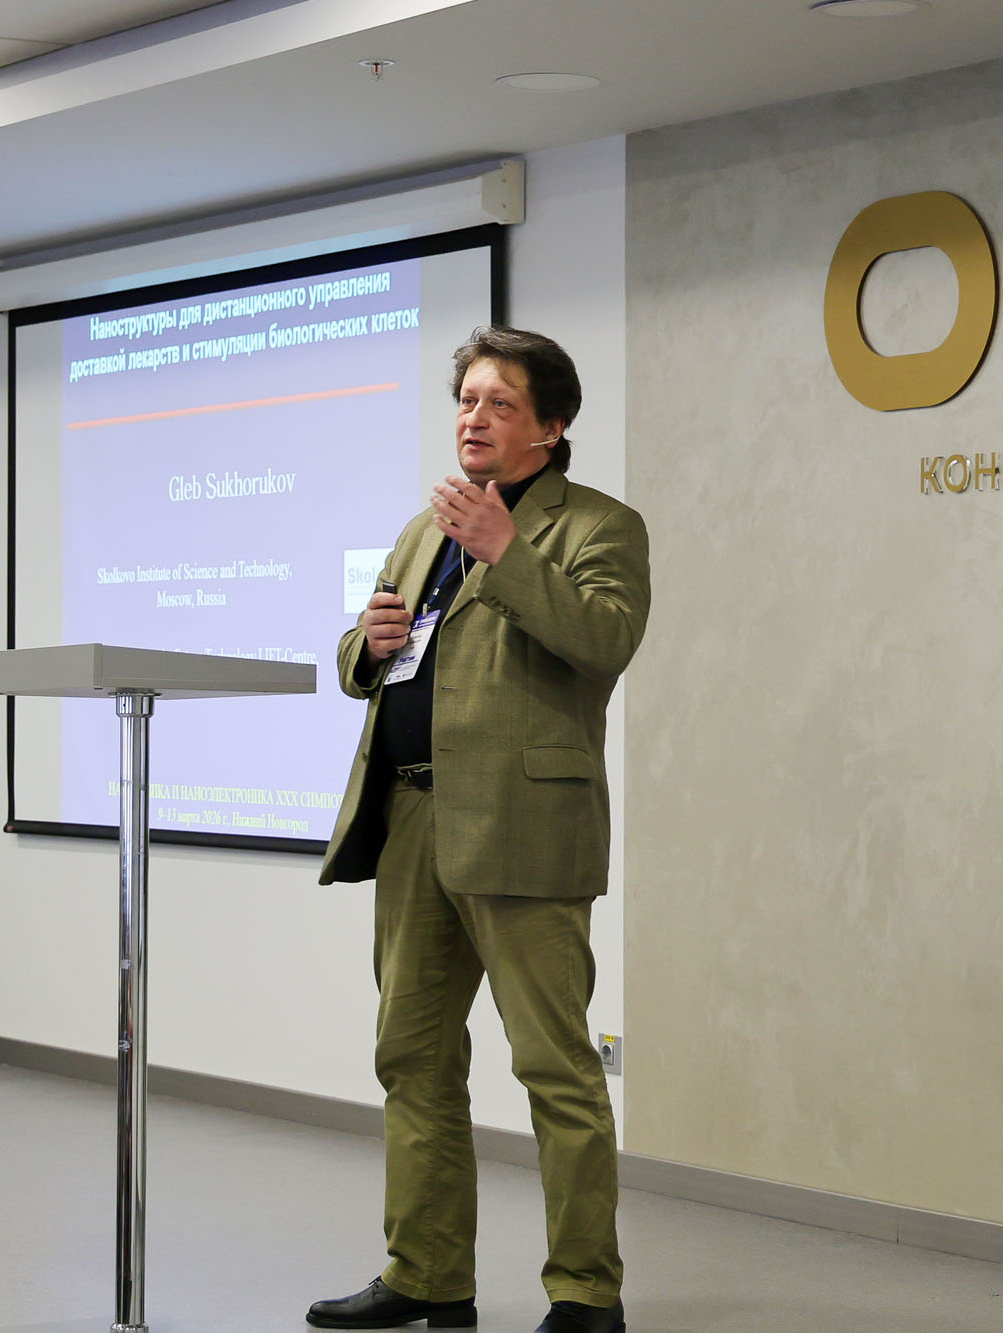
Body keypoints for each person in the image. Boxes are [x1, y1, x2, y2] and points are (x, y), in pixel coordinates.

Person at [308, 327, 650, 1333]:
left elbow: (604, 639)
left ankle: (584, 1292)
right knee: (410, 1056)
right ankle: (425, 1271)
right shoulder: (424, 530)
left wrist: (506, 553)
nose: (474, 417)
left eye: (500, 403)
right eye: (466, 400)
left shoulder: (599, 525)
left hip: (523, 827)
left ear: (550, 426)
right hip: (413, 818)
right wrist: (364, 647)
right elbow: (370, 650)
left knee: (554, 1068)